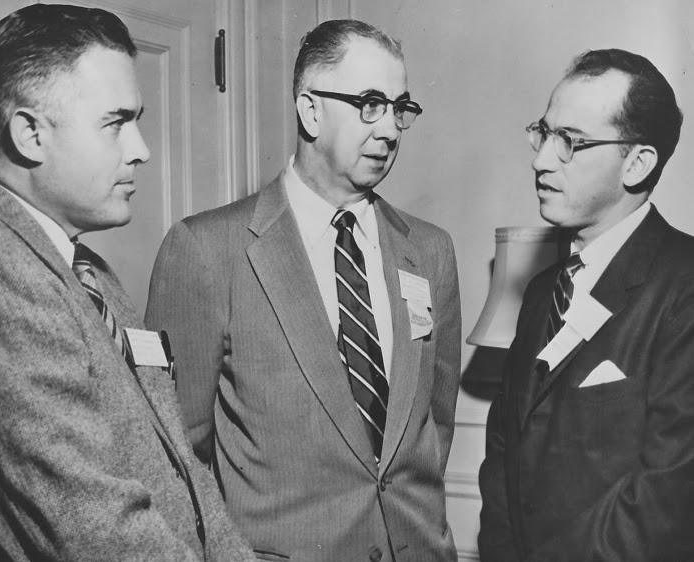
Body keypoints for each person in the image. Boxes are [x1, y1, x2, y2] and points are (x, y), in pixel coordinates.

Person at [146, 19, 461, 562]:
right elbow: (175, 453)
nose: (389, 130)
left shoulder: (430, 250)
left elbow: (435, 425)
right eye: (369, 103)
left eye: (399, 108)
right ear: (310, 110)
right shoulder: (206, 250)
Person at [0, 5, 255, 561]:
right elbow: (92, 527)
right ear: (29, 133)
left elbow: (181, 467)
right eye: (115, 122)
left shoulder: (90, 273)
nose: (142, 149)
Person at [478, 48, 694, 562]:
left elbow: (665, 500)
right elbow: (504, 453)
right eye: (544, 132)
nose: (540, 159)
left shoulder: (684, 288)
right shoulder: (540, 292)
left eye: (571, 142)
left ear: (637, 163)